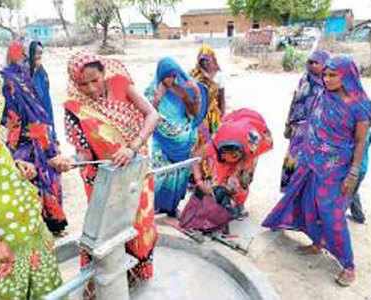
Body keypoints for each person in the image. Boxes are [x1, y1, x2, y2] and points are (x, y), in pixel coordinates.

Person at [262, 56, 371, 286]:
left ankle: (348, 264)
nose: (327, 79)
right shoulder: (323, 93)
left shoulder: (360, 105)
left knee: (332, 214)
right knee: (308, 204)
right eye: (326, 74)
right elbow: (312, 120)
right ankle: (317, 242)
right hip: (311, 161)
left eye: (333, 75)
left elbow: (361, 141)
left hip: (336, 168)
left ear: (347, 76)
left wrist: (352, 173)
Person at [64, 52, 159, 297]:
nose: (90, 88)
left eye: (94, 80)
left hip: (136, 168)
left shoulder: (121, 84)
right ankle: (102, 281)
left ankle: (136, 272)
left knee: (140, 221)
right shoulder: (75, 107)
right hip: (101, 178)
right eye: (82, 84)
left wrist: (132, 147)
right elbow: (85, 153)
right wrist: (71, 161)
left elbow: (153, 115)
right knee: (104, 228)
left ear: (103, 73)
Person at [0, 66, 63, 300]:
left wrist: (18, 168)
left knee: (43, 286)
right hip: (3, 237)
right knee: (9, 291)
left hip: (27, 229)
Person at [0, 41, 71, 237]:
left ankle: (54, 223)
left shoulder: (41, 76)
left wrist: (52, 138)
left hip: (45, 136)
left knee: (51, 174)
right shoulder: (9, 81)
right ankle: (36, 226)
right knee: (32, 179)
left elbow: (46, 109)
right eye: (34, 57)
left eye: (41, 56)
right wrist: (13, 146)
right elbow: (8, 115)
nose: (38, 61)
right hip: (24, 140)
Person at [179, 108, 273, 233]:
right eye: (227, 157)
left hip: (252, 131)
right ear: (220, 152)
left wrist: (230, 186)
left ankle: (238, 205)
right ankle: (216, 209)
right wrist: (200, 182)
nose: (231, 160)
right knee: (216, 181)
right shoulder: (214, 146)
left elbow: (237, 178)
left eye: (235, 157)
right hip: (234, 128)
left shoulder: (250, 147)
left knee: (241, 181)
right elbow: (195, 158)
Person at [145, 57, 208, 217]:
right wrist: (158, 98)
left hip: (183, 144)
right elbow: (147, 116)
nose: (171, 79)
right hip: (163, 143)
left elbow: (193, 113)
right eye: (167, 75)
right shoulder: (150, 91)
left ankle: (172, 208)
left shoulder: (180, 90)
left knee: (179, 176)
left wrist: (194, 93)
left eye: (174, 75)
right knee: (162, 175)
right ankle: (156, 208)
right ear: (160, 74)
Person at [280, 50, 330, 192]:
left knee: (313, 165)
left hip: (318, 132)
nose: (313, 65)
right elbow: (295, 101)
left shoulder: (330, 83)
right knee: (294, 160)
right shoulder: (304, 79)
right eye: (310, 62)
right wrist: (288, 124)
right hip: (299, 130)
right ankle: (292, 193)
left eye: (317, 62)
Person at [27, 40, 57, 141]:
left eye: (41, 53)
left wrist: (52, 132)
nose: (39, 56)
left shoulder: (42, 72)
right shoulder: (23, 73)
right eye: (36, 52)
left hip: (44, 113)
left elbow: (46, 98)